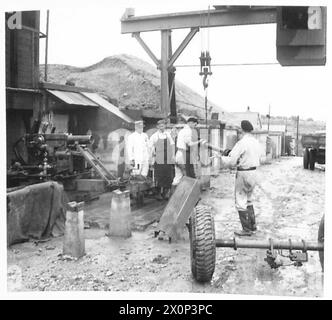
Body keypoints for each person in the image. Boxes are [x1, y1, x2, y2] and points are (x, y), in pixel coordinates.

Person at [220, 120, 261, 237]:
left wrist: (223, 157)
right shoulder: (256, 142)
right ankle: (253, 227)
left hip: (244, 173)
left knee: (240, 201)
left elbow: (232, 162)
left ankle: (246, 229)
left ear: (242, 129)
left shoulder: (242, 143)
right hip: (254, 172)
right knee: (249, 199)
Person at [172, 116, 206, 187]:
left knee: (178, 176)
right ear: (191, 123)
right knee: (188, 176)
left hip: (178, 153)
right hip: (183, 155)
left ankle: (172, 196)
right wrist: (199, 141)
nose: (194, 127)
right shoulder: (188, 131)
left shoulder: (181, 130)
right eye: (195, 125)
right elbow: (190, 144)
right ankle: (190, 195)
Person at [150, 119, 175, 200]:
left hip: (167, 158)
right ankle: (158, 194)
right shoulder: (154, 136)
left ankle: (165, 192)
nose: (162, 127)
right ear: (157, 127)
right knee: (159, 176)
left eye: (163, 125)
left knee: (168, 175)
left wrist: (173, 155)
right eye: (160, 126)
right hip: (159, 158)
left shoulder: (168, 134)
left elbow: (172, 145)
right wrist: (153, 153)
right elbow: (150, 146)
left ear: (165, 126)